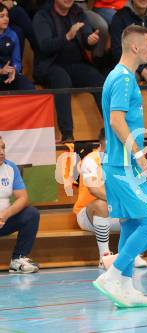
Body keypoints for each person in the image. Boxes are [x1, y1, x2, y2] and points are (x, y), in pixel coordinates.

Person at [92, 25, 147, 308]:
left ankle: (124, 286)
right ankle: (113, 275)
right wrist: (138, 154)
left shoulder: (119, 76)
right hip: (123, 166)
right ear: (135, 47)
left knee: (131, 224)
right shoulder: (123, 79)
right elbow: (116, 121)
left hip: (120, 164)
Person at [73, 128, 147, 268]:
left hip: (116, 212)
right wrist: (122, 199)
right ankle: (104, 256)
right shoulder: (90, 160)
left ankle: (131, 253)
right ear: (106, 141)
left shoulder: (122, 160)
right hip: (88, 215)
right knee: (101, 204)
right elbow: (94, 189)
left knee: (139, 207)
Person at [32, 0, 105, 142]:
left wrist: (90, 41)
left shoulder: (77, 12)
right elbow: (44, 46)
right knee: (62, 78)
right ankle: (67, 134)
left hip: (76, 64)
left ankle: (112, 128)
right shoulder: (42, 15)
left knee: (97, 79)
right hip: (50, 66)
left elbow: (86, 36)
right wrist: (67, 37)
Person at [0, 136, 40, 273]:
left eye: (3, 147)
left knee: (31, 214)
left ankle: (18, 259)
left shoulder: (10, 167)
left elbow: (23, 198)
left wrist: (5, 215)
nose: (1, 152)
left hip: (3, 221)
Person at [110, 0, 147, 86]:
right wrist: (142, 71)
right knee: (124, 79)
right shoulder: (119, 17)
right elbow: (117, 51)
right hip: (132, 68)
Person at [0, 4, 34, 91]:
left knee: (28, 87)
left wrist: (14, 70)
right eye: (2, 16)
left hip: (8, 75)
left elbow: (17, 61)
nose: (6, 19)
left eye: (7, 16)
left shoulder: (13, 35)